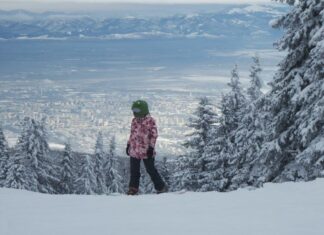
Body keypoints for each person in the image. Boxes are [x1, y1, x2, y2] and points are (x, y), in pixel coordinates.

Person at [126, 100, 167, 195]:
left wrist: (151, 148)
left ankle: (161, 187)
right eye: (133, 111)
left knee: (151, 169)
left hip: (146, 150)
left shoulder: (150, 121)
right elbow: (132, 134)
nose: (134, 113)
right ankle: (133, 188)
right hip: (134, 150)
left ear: (143, 110)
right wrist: (128, 144)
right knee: (134, 171)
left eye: (136, 111)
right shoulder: (134, 121)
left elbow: (154, 135)